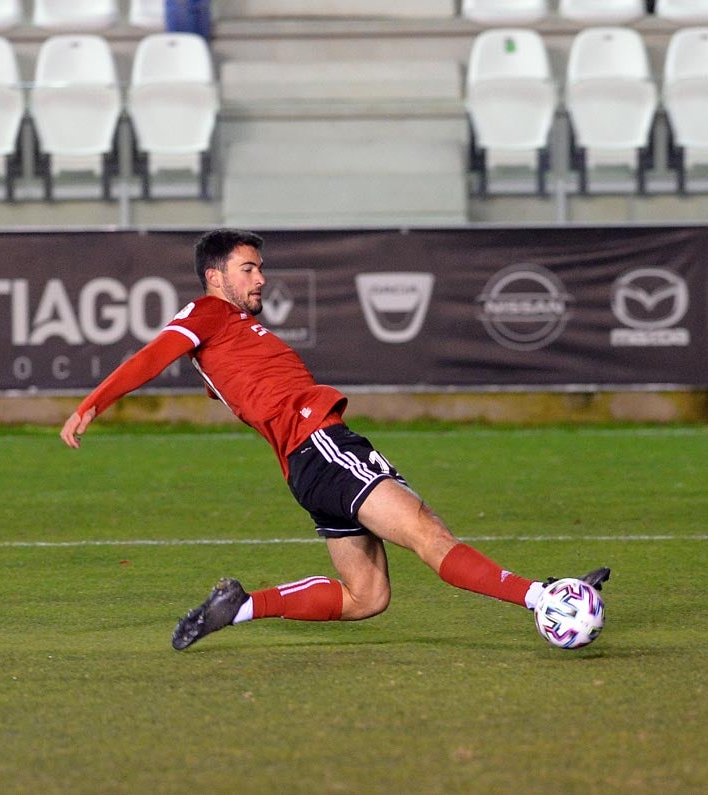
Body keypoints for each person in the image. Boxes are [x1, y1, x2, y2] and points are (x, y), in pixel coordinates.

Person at [61, 228, 609, 650]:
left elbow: (229, 384)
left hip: (308, 467)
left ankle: (241, 607)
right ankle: (546, 598)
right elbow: (153, 355)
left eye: (260, 269)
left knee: (366, 598)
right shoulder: (208, 312)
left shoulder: (230, 337)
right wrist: (93, 404)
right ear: (213, 275)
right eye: (247, 268)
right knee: (426, 532)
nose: (260, 279)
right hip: (322, 442)